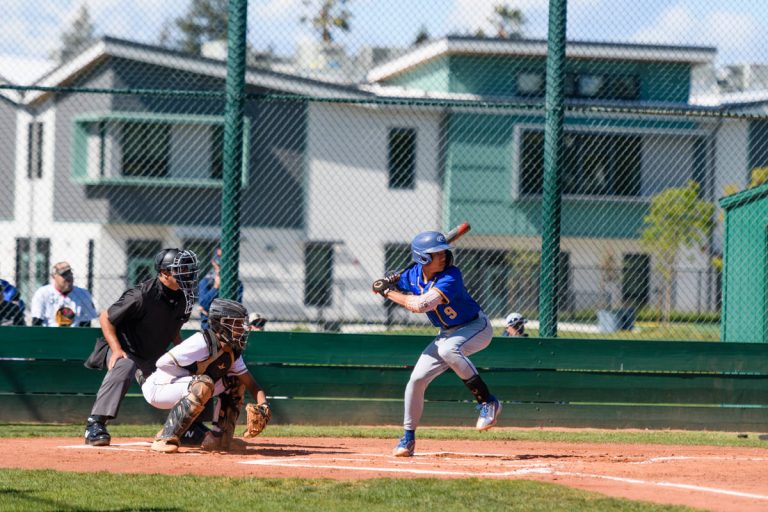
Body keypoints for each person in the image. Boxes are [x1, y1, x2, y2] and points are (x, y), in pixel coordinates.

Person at [372, 230, 501, 457]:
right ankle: (408, 439)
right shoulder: (411, 276)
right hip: (447, 332)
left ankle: (488, 401)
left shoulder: (451, 276)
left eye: (444, 252)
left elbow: (421, 305)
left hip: (475, 327)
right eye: (436, 253)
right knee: (416, 379)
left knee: (448, 349)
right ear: (423, 258)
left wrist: (388, 292)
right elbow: (388, 285)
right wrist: (385, 283)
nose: (443, 256)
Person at [83, 248, 199, 446]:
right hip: (126, 348)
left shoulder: (183, 297)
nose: (187, 274)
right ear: (164, 273)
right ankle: (95, 424)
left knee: (195, 373)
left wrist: (186, 358)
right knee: (124, 365)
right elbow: (105, 317)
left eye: (189, 269)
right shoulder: (141, 295)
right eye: (181, 270)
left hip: (154, 354)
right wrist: (117, 350)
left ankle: (188, 426)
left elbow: (173, 331)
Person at [142, 298, 269, 453]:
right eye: (236, 324)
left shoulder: (232, 351)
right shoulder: (202, 341)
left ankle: (219, 438)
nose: (242, 329)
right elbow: (162, 363)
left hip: (188, 386)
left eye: (241, 324)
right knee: (203, 383)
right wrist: (194, 379)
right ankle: (165, 437)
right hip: (160, 388)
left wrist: (263, 405)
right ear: (220, 324)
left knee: (235, 382)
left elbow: (251, 384)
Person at [30, 262, 98, 327]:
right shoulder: (43, 293)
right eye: (64, 274)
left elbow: (86, 323)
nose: (68, 277)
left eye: (70, 273)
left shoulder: (83, 294)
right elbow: (36, 321)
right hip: (49, 335)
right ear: (54, 276)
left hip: (74, 335)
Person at [198, 246, 244, 329]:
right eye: (219, 257)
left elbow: (237, 308)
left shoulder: (237, 284)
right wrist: (216, 287)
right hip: (209, 325)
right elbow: (203, 304)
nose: (221, 263)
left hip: (229, 325)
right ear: (213, 262)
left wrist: (210, 310)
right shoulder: (206, 281)